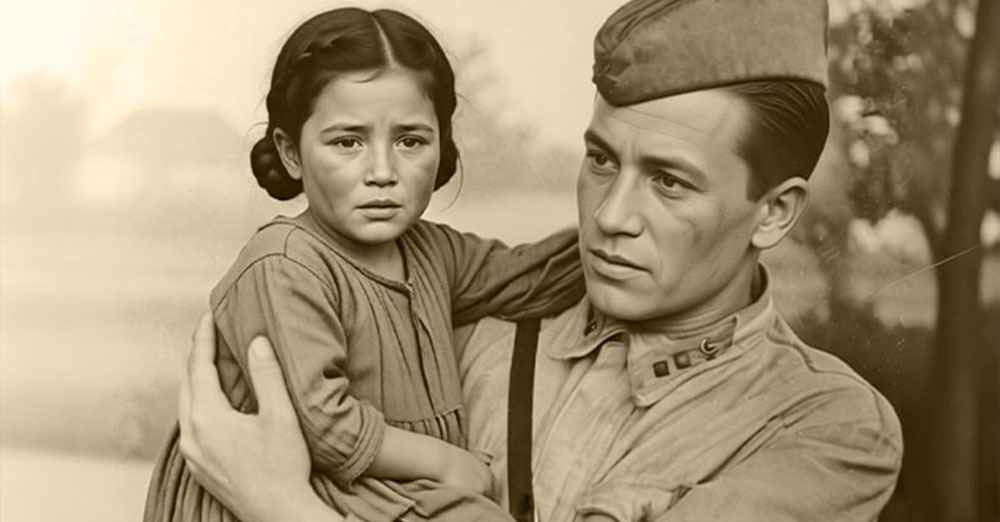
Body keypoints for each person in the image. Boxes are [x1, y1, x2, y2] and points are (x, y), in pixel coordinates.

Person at [174, 0, 904, 521]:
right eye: (600, 160)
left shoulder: (827, 426)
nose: (610, 217)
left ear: (774, 212)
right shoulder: (463, 341)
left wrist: (280, 505)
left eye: (669, 182)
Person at [144, 7, 584, 522]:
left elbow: (530, 276)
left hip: (384, 488)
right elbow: (325, 425)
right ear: (291, 153)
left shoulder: (431, 252)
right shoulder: (285, 263)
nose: (382, 171)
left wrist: (624, 227)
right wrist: (447, 463)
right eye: (347, 142)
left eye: (410, 141)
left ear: (442, 146)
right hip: (308, 485)